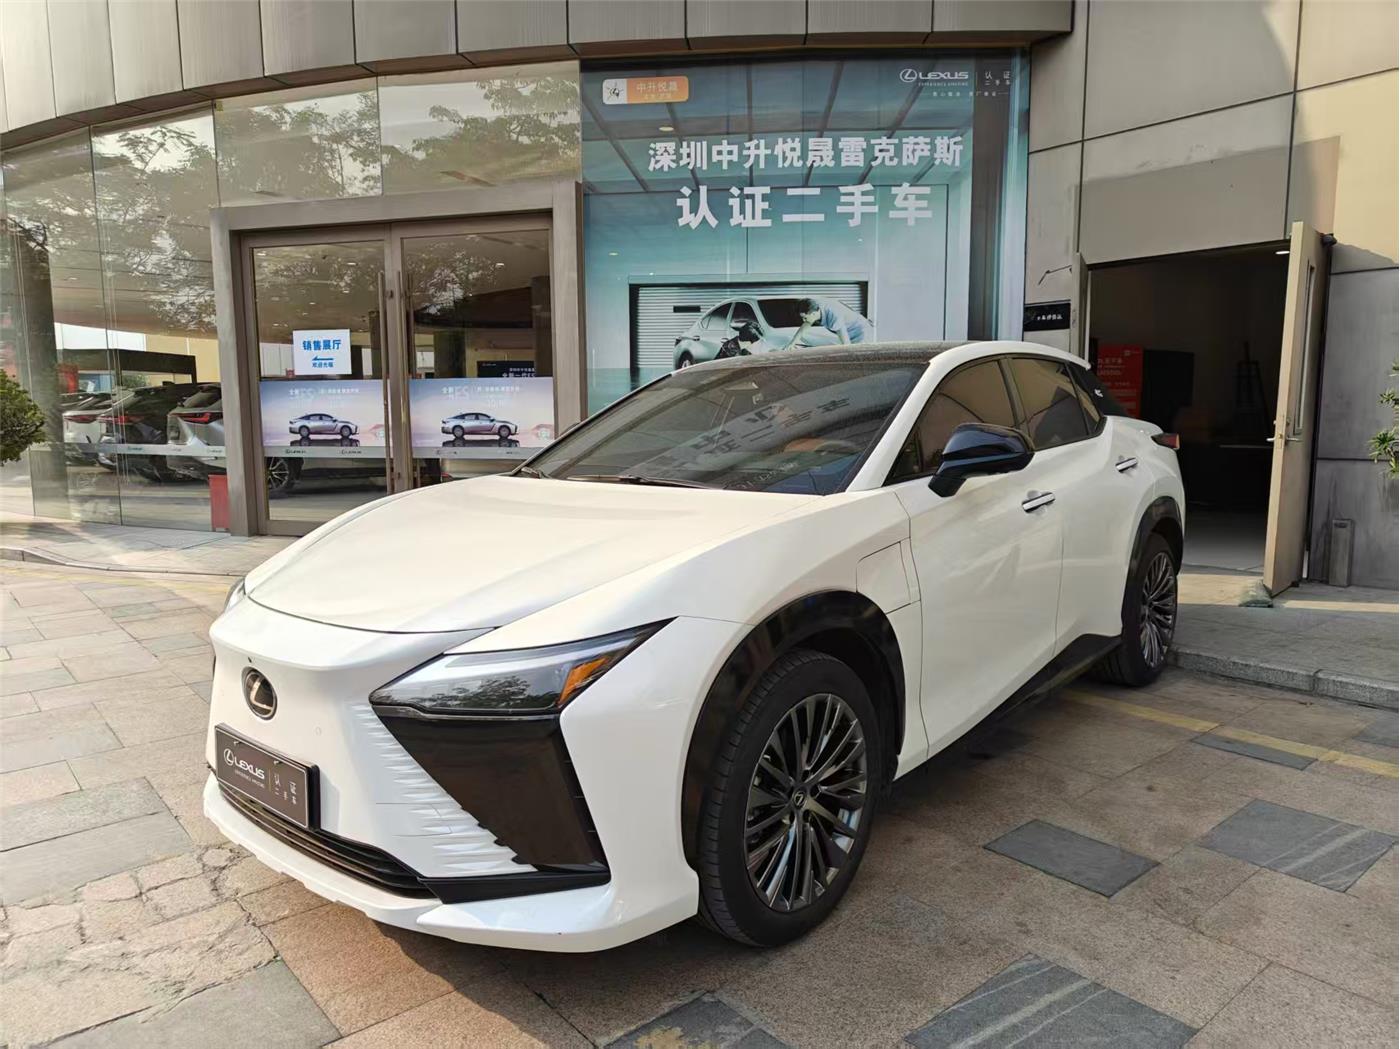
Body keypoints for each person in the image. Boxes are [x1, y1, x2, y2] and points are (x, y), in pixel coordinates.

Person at [782, 296, 874, 349]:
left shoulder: (834, 314)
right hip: (850, 330)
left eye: (805, 318)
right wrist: (791, 343)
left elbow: (846, 345)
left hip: (861, 331)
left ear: (813, 313)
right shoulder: (813, 306)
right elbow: (805, 325)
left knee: (856, 355)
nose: (803, 321)